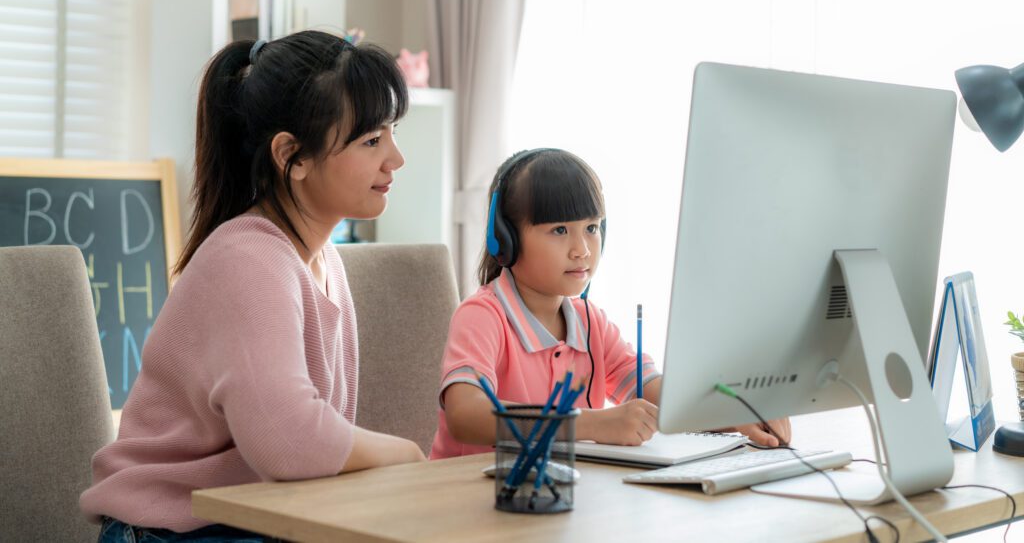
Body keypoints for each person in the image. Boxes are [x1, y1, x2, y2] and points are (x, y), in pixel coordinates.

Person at [81, 31, 426, 541]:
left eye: (392, 132)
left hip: (250, 520)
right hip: (172, 531)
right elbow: (289, 442)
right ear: (293, 156)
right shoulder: (247, 260)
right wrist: (410, 454)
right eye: (372, 140)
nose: (395, 159)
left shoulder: (322, 257)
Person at [430, 148, 791, 459]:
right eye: (559, 230)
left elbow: (656, 391)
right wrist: (593, 423)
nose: (582, 249)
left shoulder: (589, 323)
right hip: (470, 503)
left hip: (553, 502)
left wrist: (731, 415)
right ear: (504, 238)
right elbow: (467, 415)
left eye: (591, 228)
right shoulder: (483, 316)